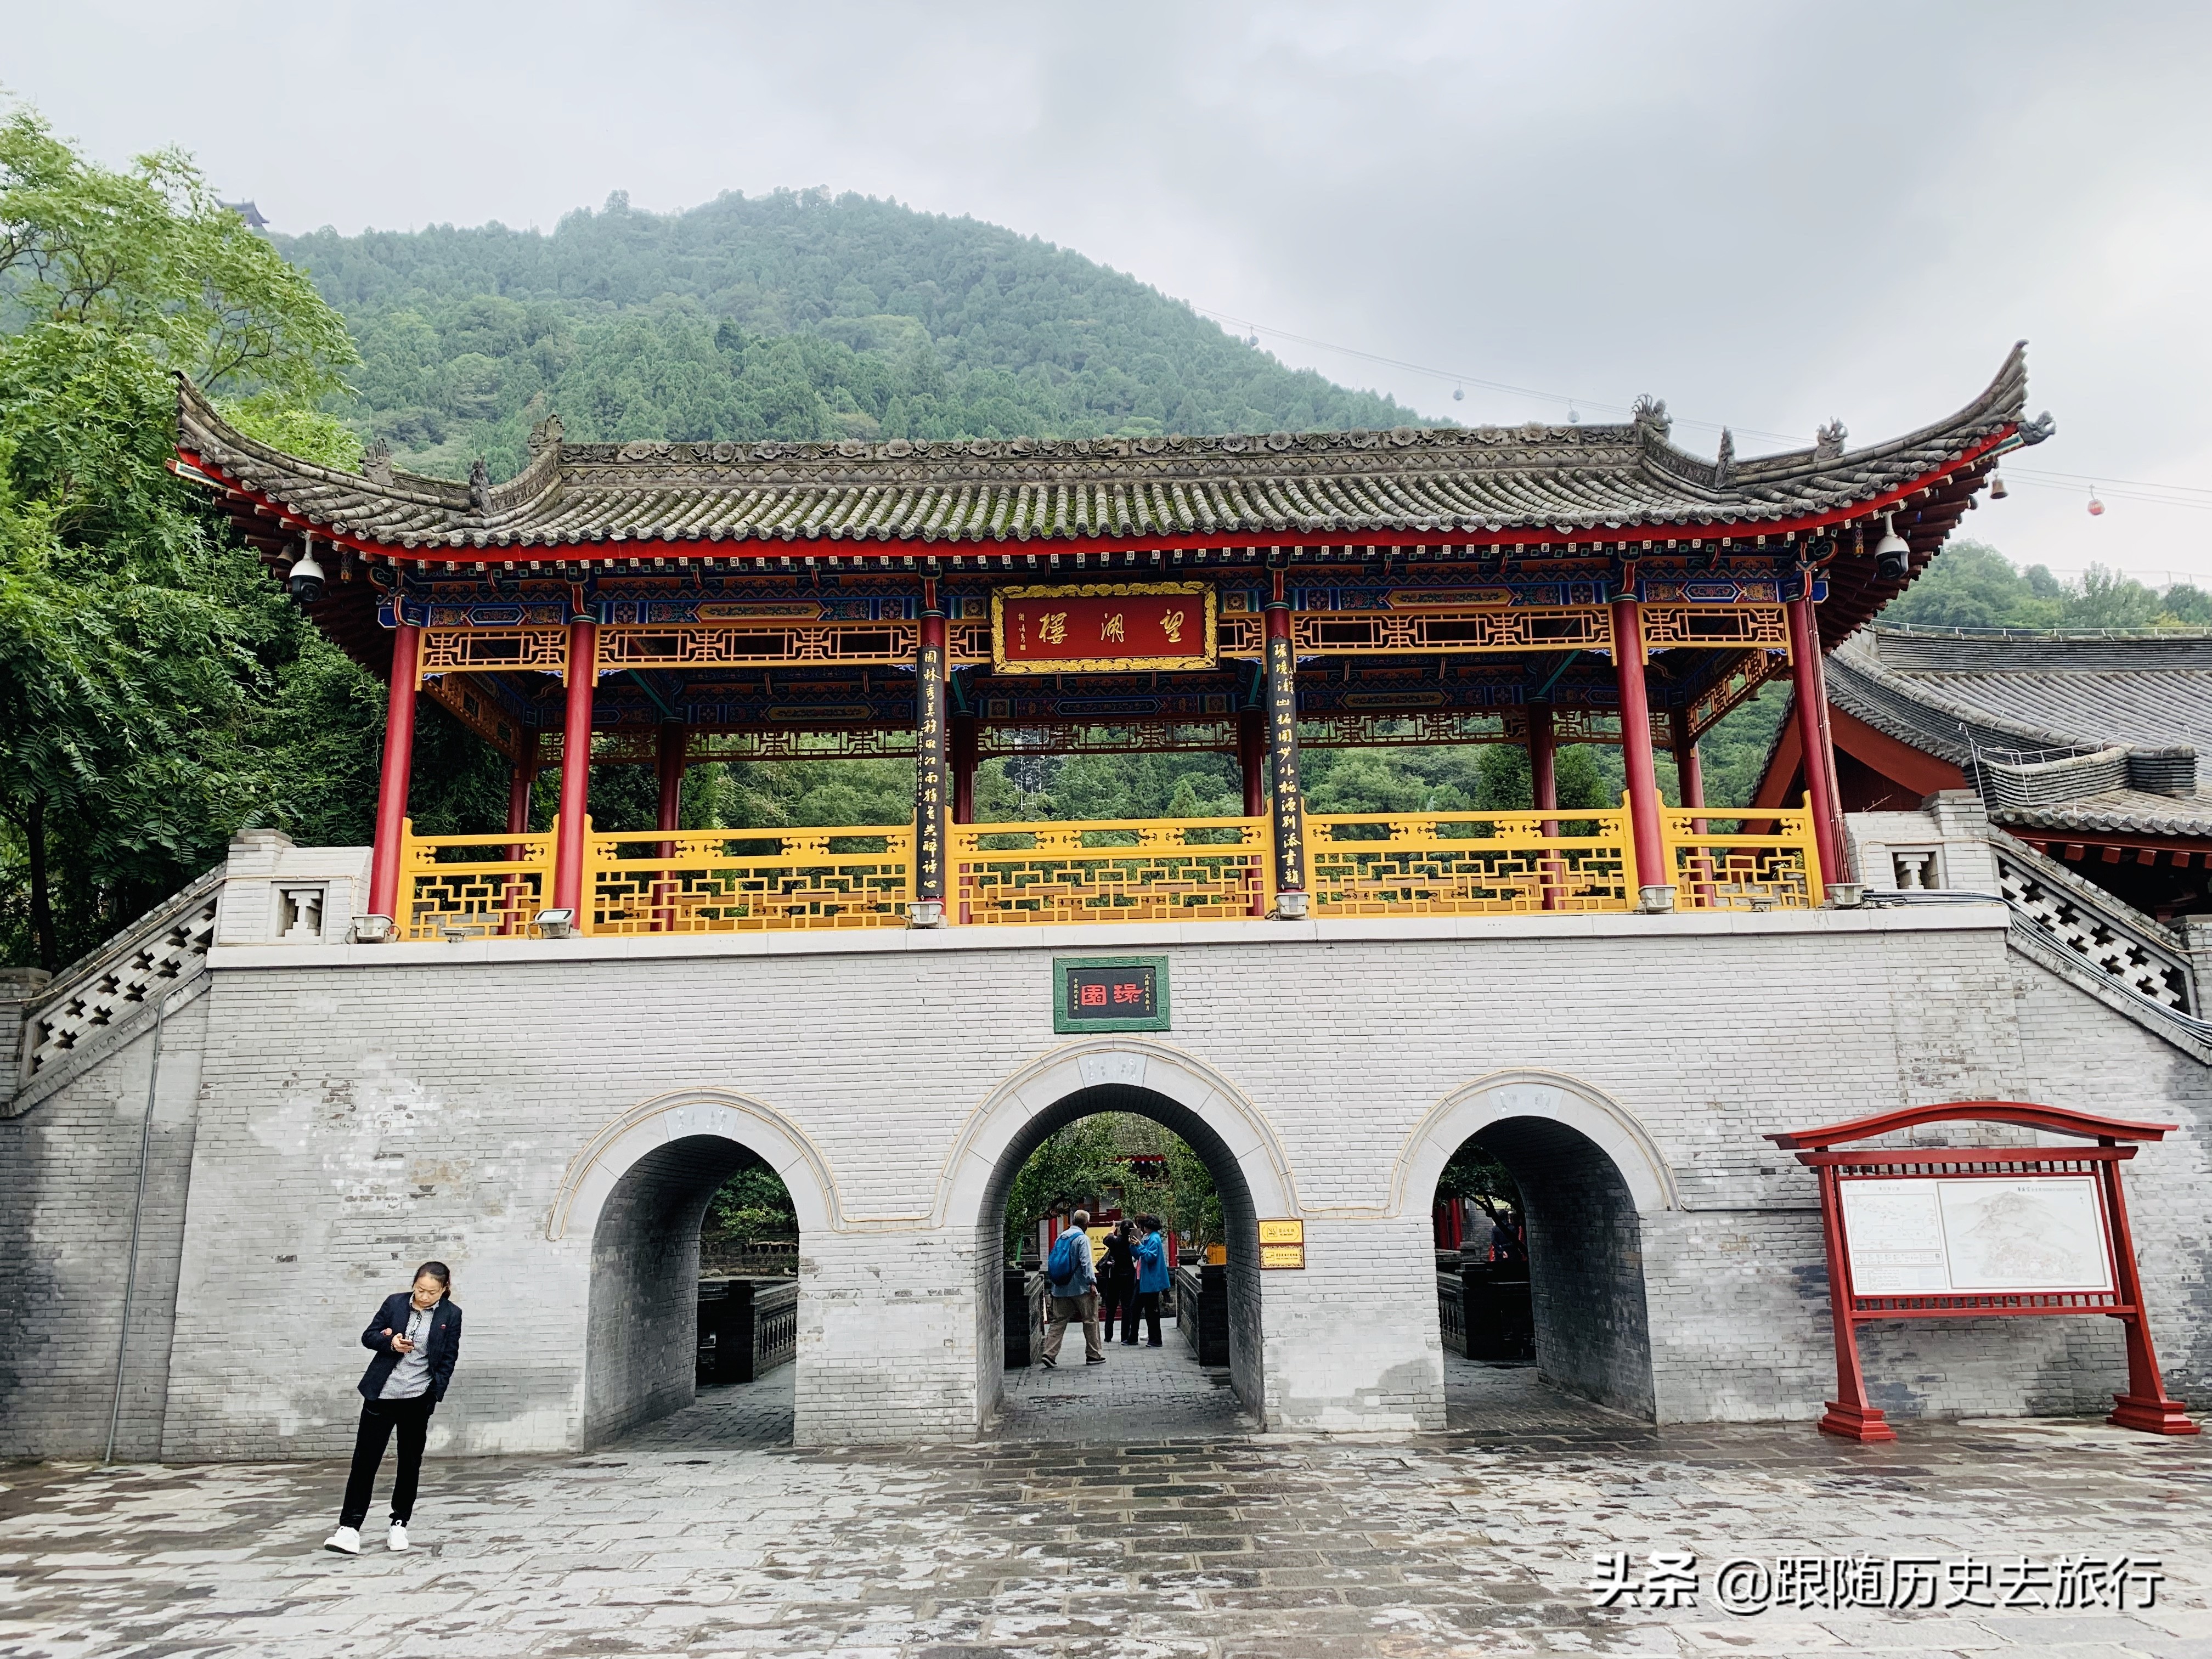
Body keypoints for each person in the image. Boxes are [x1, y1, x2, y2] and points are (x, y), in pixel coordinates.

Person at [324, 1261, 463, 1555]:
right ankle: (349, 1528)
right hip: (381, 1396)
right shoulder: (395, 1303)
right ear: (414, 1283)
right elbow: (369, 1336)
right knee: (365, 1462)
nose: (424, 1297)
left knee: (409, 1463)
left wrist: (434, 1394)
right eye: (420, 1289)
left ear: (444, 1289)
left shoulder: (451, 1315)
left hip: (417, 1399)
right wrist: (391, 1342)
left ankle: (399, 1523)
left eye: (432, 1292)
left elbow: (448, 1357)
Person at [1038, 1209, 1104, 1368]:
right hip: (1080, 1288)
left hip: (1060, 1287)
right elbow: (1086, 1263)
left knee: (1058, 1321)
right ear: (1086, 1224)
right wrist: (1092, 1283)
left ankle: (1049, 1353)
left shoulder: (1061, 1237)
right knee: (1090, 1320)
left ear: (1073, 1221)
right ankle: (1093, 1354)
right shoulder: (1082, 1239)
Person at [1131, 1214, 1169, 1347]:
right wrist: (1134, 1246)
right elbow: (1139, 1255)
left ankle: (1156, 1339)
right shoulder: (1151, 1238)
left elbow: (1150, 1257)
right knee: (1148, 1311)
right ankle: (1153, 1338)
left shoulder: (1154, 1239)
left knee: (1152, 1312)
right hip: (1145, 1280)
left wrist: (1140, 1246)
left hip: (1151, 1281)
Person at [1101, 1219, 1138, 1344]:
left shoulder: (1114, 1241)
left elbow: (1106, 1238)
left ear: (1120, 1230)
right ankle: (1125, 1336)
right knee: (1127, 1307)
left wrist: (1113, 1227)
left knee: (1111, 1307)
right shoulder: (1132, 1242)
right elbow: (1140, 1236)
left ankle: (1108, 1336)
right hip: (1128, 1276)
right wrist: (1134, 1227)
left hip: (1114, 1276)